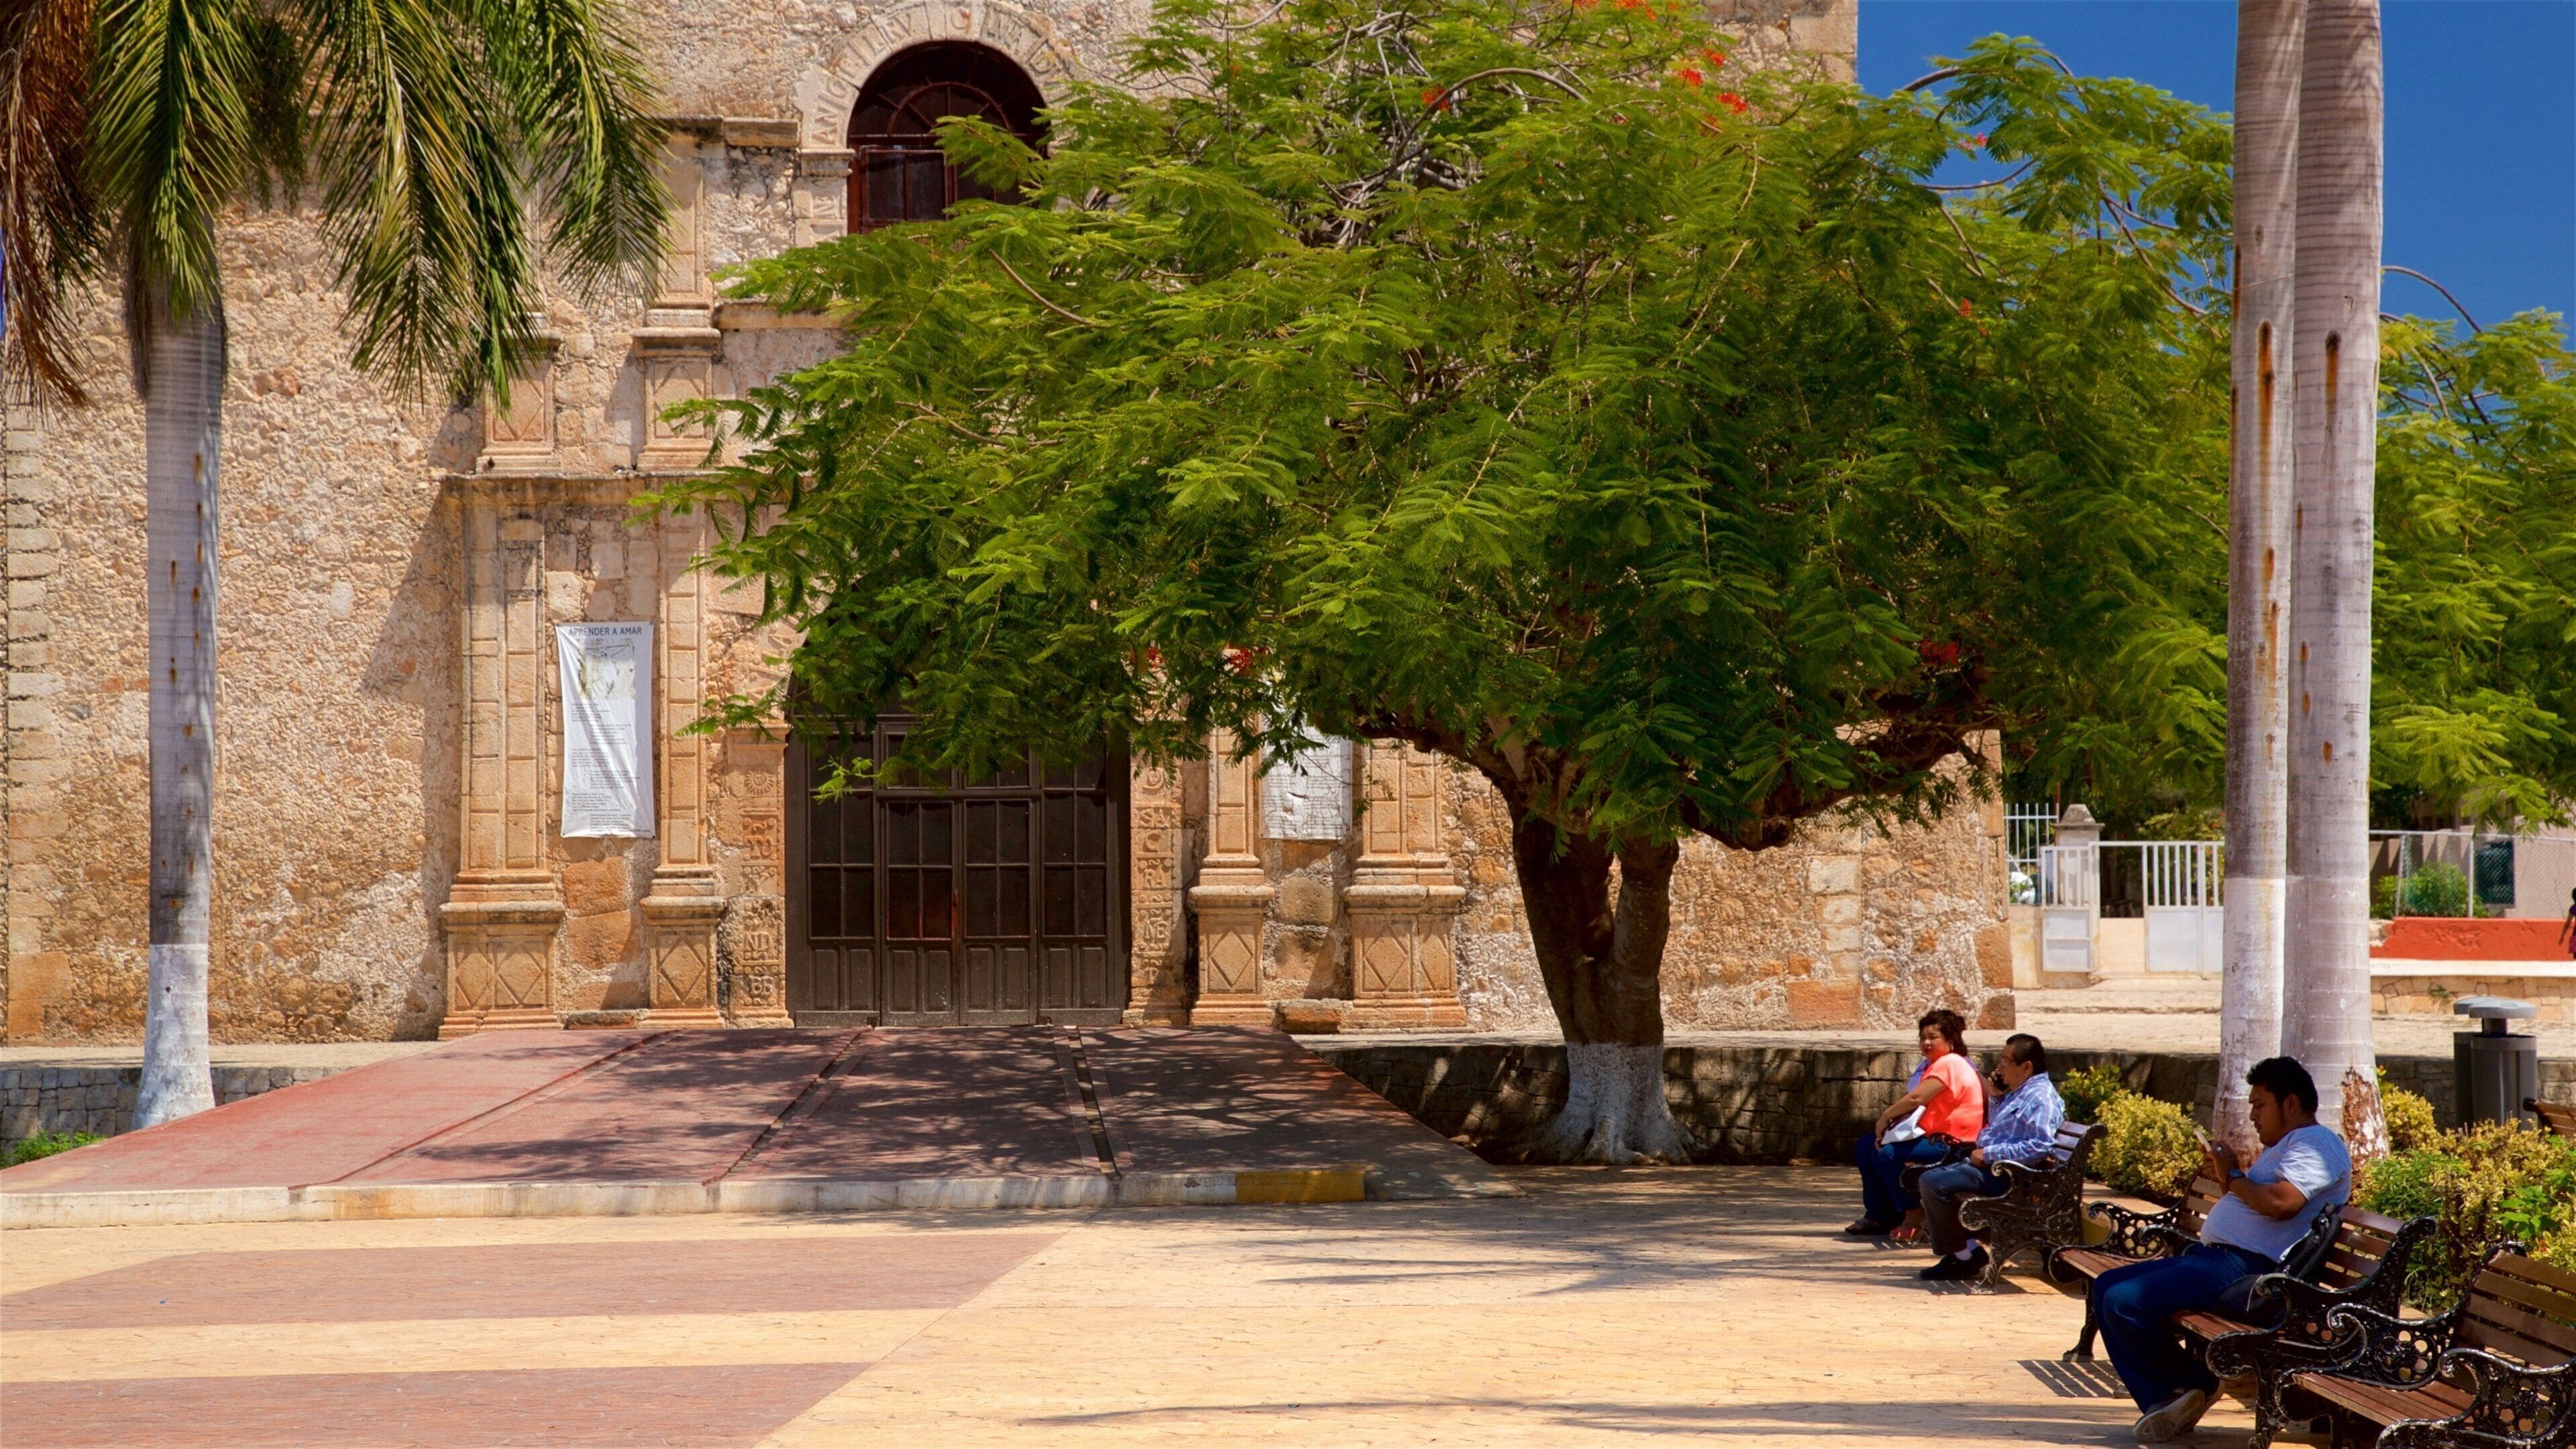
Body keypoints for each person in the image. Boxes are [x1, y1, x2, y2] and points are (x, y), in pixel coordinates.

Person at [2094, 1056, 2353, 1443]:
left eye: (2259, 1104)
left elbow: (2282, 1204)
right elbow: (2265, 1198)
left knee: (2123, 1300)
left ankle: (2189, 1385)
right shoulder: (2289, 1145)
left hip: (2246, 1268)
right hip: (2216, 1259)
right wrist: (2229, 1174)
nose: (2252, 1115)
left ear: (2292, 1104)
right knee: (2104, 1286)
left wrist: (2232, 1175)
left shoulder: (2317, 1143)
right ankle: (2175, 1394)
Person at [1915, 1032, 2067, 1281]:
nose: (2000, 1066)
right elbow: (2001, 1128)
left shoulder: (2041, 1098)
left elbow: (2041, 1146)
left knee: (1933, 1183)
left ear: (2026, 1067)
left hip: (2012, 1178)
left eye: (2007, 1061)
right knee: (1929, 1177)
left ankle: (1965, 1256)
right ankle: (1965, 1254)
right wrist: (1996, 1096)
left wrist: (1989, 1154)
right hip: (1994, 1168)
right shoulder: (2022, 1091)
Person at [1847, 1009, 1986, 1241]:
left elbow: (1917, 1098)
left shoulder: (1951, 1063)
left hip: (1954, 1144)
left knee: (1889, 1154)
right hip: (1934, 1138)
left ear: (1951, 1040)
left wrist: (1885, 1118)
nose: (1926, 1042)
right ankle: (1881, 1214)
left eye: (1933, 1037)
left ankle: (1914, 1214)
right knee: (1866, 1146)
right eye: (1923, 1037)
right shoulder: (1936, 1064)